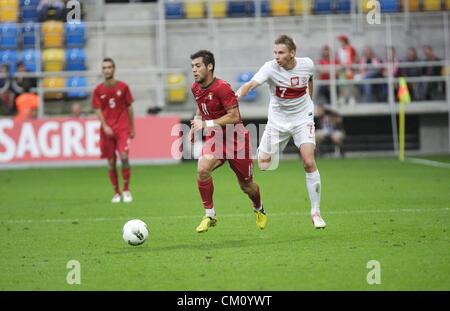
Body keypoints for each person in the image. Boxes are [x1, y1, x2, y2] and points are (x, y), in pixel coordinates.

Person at [236, 34, 326, 229]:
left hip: (302, 119)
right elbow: (251, 84)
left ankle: (315, 212)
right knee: (264, 164)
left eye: (281, 52)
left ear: (292, 53)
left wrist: (309, 102)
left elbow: (309, 79)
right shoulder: (270, 68)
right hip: (278, 121)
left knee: (309, 162)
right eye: (275, 52)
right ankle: (279, 146)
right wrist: (237, 95)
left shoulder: (307, 64)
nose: (277, 56)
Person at [189, 50, 267, 233]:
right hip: (215, 138)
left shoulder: (222, 88)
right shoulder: (195, 87)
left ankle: (258, 207)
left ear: (209, 67)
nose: (194, 70)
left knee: (247, 186)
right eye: (192, 66)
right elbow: (201, 108)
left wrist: (206, 123)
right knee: (202, 169)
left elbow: (234, 116)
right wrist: (195, 125)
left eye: (198, 66)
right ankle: (210, 214)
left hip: (236, 139)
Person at [92, 58, 135, 203]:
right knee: (111, 162)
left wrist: (132, 127)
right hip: (107, 130)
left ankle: (126, 190)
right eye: (104, 67)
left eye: (109, 67)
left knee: (124, 157)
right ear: (102, 70)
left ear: (114, 69)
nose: (107, 70)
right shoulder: (98, 90)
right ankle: (116, 192)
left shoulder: (123, 87)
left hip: (122, 128)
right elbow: (98, 109)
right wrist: (104, 126)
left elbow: (129, 107)